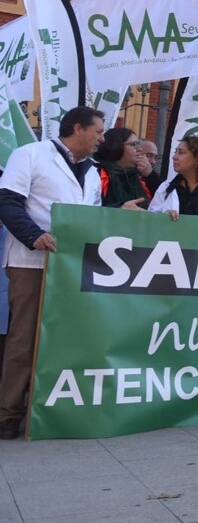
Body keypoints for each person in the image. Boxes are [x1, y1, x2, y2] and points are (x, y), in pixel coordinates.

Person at [0, 106, 104, 440]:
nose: (102, 138)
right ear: (78, 128)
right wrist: (34, 236)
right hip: (31, 263)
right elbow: (7, 201)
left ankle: (45, 410)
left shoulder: (91, 172)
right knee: (24, 338)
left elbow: (92, 217)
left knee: (62, 340)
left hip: (71, 267)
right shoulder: (30, 154)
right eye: (98, 131)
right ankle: (7, 414)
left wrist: (120, 212)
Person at [95, 127, 151, 209]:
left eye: (138, 144)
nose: (140, 149)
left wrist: (150, 175)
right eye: (134, 144)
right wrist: (120, 209)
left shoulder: (140, 175)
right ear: (116, 147)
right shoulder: (99, 174)